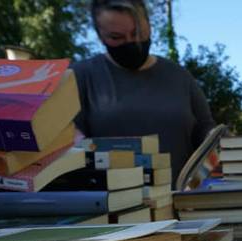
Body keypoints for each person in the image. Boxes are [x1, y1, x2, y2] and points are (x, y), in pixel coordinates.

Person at [73, 0, 215, 181]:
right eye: (116, 37)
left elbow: (206, 131)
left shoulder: (179, 76)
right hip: (112, 202)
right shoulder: (82, 76)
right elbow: (70, 143)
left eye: (137, 33)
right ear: (100, 36)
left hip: (181, 201)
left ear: (149, 24)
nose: (132, 43)